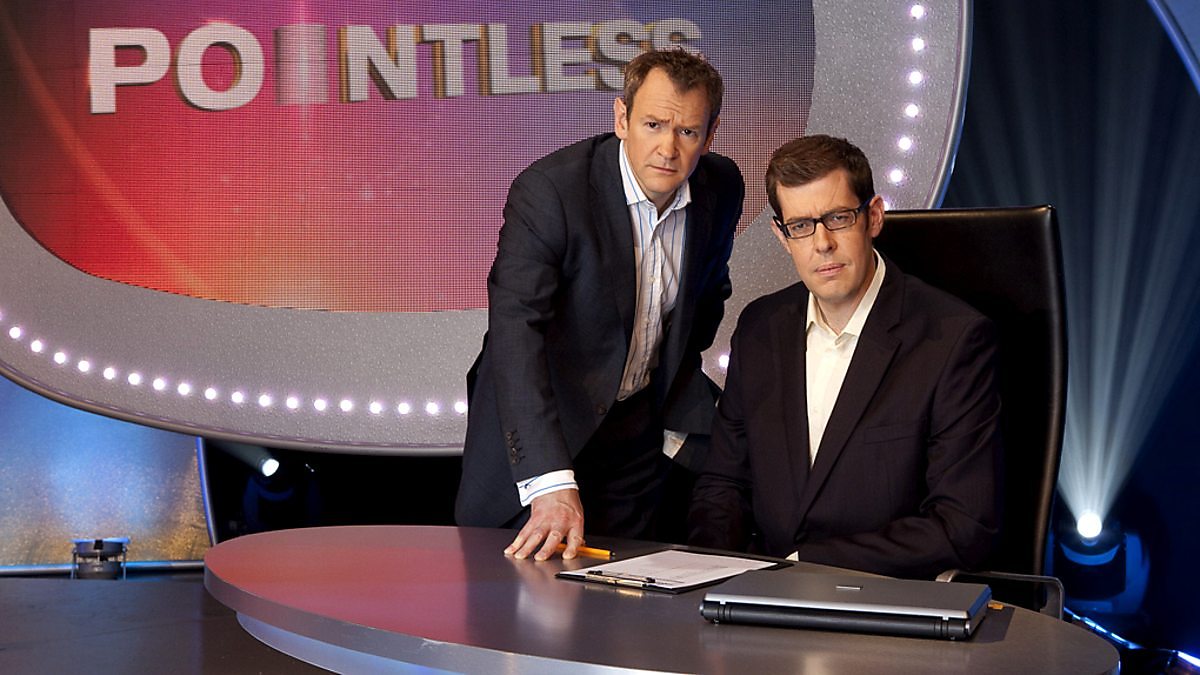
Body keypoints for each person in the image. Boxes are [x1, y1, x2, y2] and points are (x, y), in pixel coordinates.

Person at [456, 48, 745, 561]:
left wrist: (666, 392)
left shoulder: (721, 186)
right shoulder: (550, 192)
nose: (668, 149)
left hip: (634, 436)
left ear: (710, 135)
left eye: (687, 132)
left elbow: (708, 295)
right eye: (653, 125)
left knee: (629, 591)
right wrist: (550, 482)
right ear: (621, 118)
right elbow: (515, 337)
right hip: (545, 427)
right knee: (523, 593)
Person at [688, 135, 1002, 579]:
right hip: (759, 598)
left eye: (837, 218)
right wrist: (710, 577)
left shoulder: (953, 340)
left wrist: (803, 568)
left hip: (884, 599)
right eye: (801, 225)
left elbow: (963, 526)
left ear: (873, 216)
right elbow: (723, 484)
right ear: (782, 236)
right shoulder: (760, 328)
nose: (822, 244)